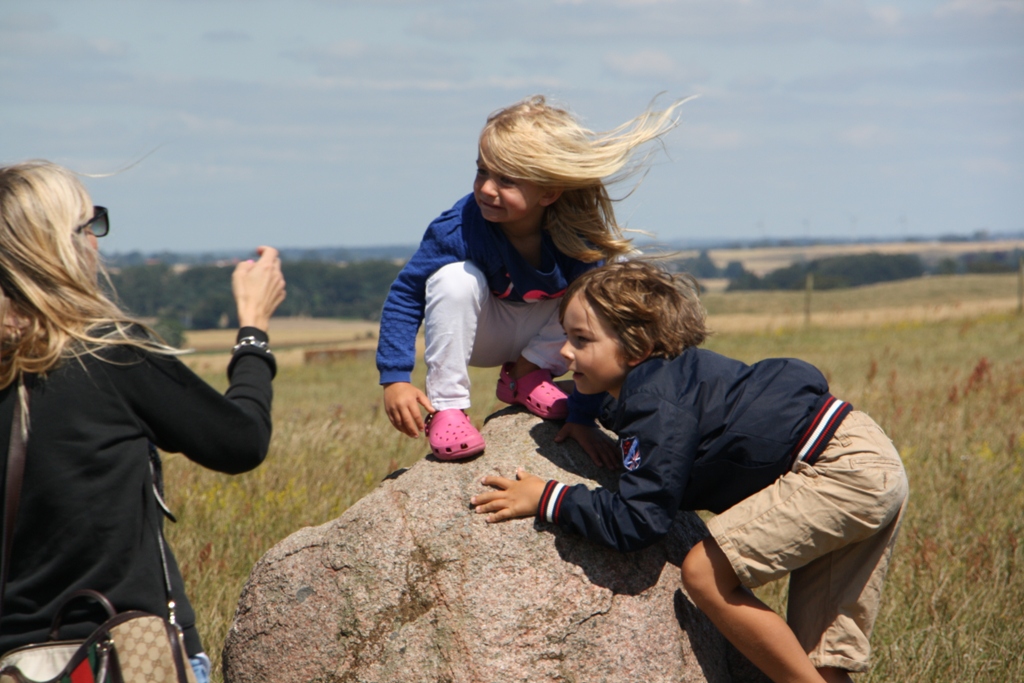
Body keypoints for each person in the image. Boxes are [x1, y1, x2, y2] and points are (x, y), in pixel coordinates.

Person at [470, 260, 909, 683]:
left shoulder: (657, 404)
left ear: (637, 348)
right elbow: (626, 408)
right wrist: (578, 411)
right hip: (864, 456)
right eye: (566, 335)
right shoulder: (664, 378)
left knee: (703, 574)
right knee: (819, 658)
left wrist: (547, 497)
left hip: (838, 473)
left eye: (581, 340)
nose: (565, 352)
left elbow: (640, 520)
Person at [0, 161, 286, 683]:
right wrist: (253, 330)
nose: (97, 241)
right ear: (61, 244)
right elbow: (240, 441)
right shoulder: (109, 354)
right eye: (90, 225)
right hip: (122, 657)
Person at [377, 95, 686, 462]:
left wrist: (583, 415)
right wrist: (395, 379)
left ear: (549, 192)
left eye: (507, 179)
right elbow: (406, 295)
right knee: (452, 279)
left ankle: (525, 376)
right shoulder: (458, 227)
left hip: (546, 338)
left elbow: (594, 329)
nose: (487, 189)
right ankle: (448, 408)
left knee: (593, 295)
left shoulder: (579, 236)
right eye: (482, 171)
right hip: (481, 333)